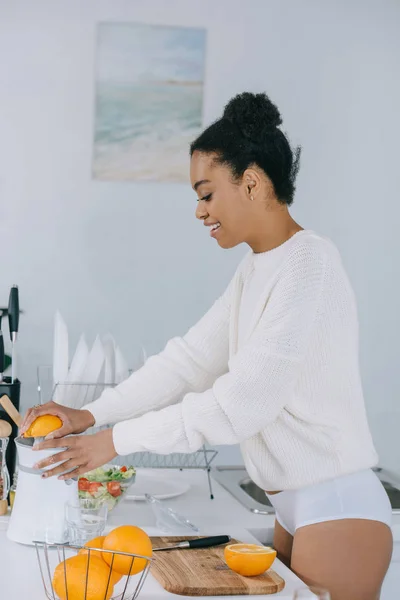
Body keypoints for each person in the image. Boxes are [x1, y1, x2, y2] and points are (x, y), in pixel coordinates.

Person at [21, 92, 392, 600]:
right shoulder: (258, 268)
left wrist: (111, 442)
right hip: (295, 506)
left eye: (206, 193)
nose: (199, 211)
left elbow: (239, 405)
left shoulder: (311, 267)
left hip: (338, 508)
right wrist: (90, 413)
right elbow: (187, 362)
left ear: (253, 182)